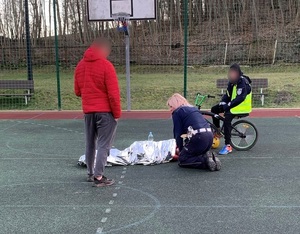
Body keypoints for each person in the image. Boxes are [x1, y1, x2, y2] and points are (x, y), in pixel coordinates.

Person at [74, 38, 121, 187]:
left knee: (90, 143)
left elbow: (77, 91)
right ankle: (99, 176)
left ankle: (90, 173)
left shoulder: (80, 66)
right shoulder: (106, 66)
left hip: (88, 111)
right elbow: (113, 94)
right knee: (103, 144)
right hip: (105, 112)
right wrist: (117, 114)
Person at [167, 93, 221, 171]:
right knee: (194, 152)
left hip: (199, 137)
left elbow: (178, 134)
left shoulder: (177, 112)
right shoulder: (194, 109)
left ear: (175, 104)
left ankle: (205, 161)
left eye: (171, 106)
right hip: (209, 136)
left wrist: (181, 150)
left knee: (182, 160)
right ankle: (210, 157)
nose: (170, 109)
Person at [211, 63, 252, 155]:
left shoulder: (242, 82)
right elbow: (228, 95)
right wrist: (223, 103)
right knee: (214, 109)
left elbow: (240, 98)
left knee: (227, 119)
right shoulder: (232, 82)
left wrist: (228, 105)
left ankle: (228, 146)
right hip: (233, 105)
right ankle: (217, 131)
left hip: (241, 107)